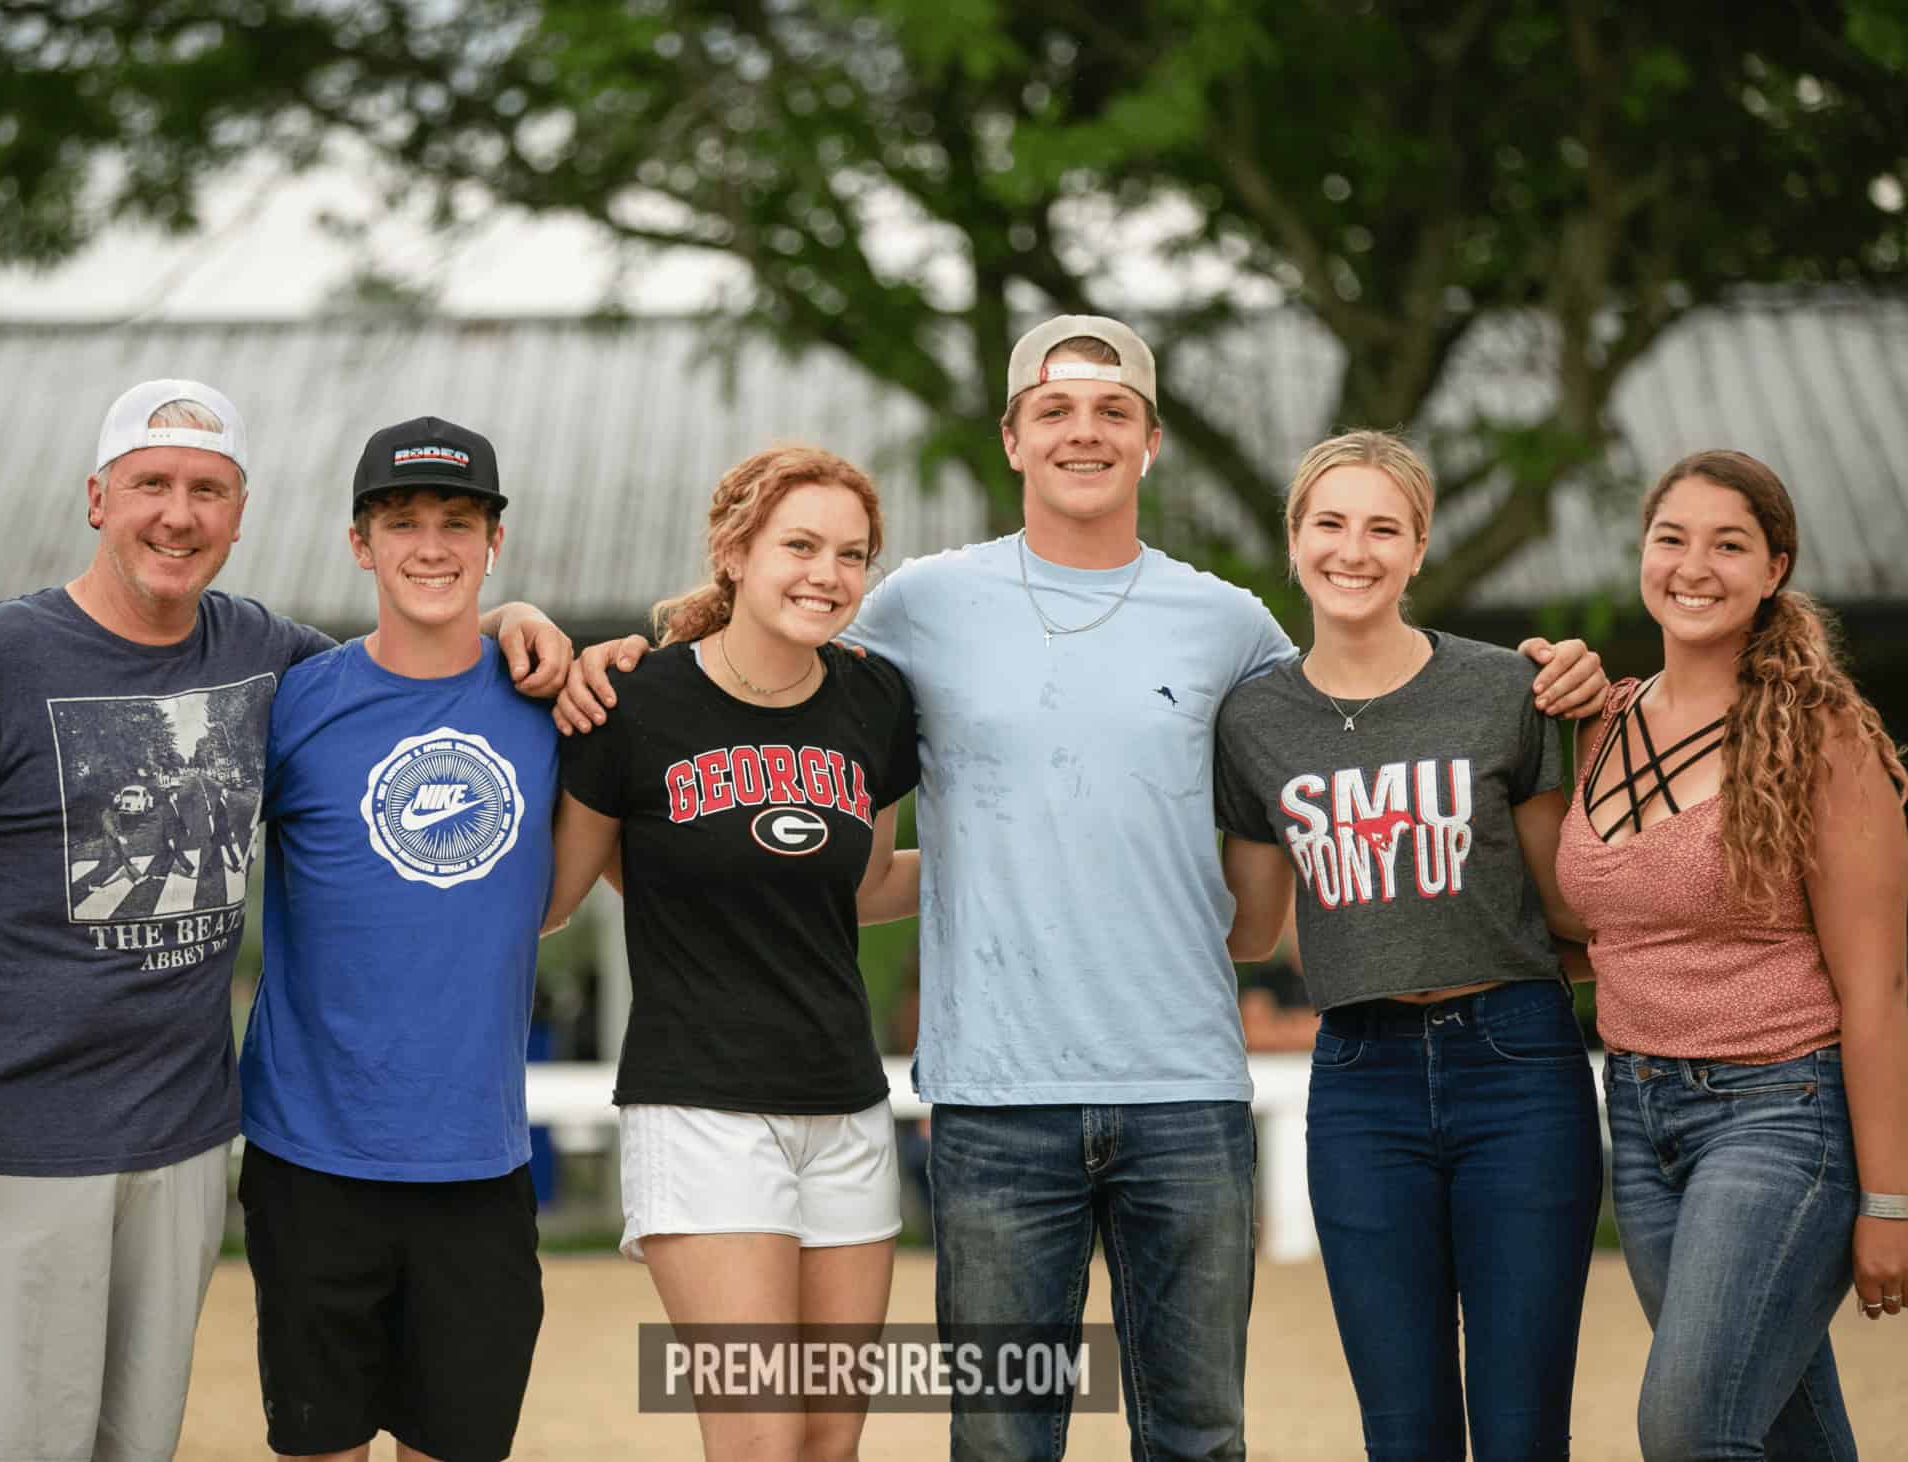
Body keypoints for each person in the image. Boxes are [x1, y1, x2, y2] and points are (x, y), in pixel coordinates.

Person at [555, 318, 1606, 1459]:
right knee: (1000, 1439)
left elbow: (1360, 706)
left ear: (1151, 442)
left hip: (1185, 1094)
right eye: (1053, 410)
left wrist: (1541, 680)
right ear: (1012, 438)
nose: (1083, 432)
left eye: (1113, 411)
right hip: (993, 1101)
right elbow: (771, 652)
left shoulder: (1231, 627)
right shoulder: (913, 605)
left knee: (1198, 1438)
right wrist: (627, 662)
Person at [0, 380, 570, 1462]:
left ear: (241, 516)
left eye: (207, 490)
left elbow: (412, 659)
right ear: (97, 498)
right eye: (151, 484)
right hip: (13, 1142)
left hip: (183, 1144)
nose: (178, 515)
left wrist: (515, 622)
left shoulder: (264, 657)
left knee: (134, 1442)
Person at [1212, 429, 1604, 1460]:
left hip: (1517, 1068)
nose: (1354, 550)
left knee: (1521, 1432)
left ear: (1419, 548)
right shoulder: (1251, 720)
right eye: (1330, 523)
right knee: (1403, 1433)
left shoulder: (1503, 689)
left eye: (1383, 528)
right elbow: (1247, 926)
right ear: (1294, 540)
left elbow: (1569, 905)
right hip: (1360, 1081)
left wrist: (1602, 720)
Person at [543, 445, 920, 1462]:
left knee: (829, 1445)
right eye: (799, 545)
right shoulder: (633, 701)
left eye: (851, 554)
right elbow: (553, 898)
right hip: (702, 1107)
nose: (826, 574)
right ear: (733, 551)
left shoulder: (875, 701)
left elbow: (863, 886)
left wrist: (1032, 862)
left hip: (845, 1106)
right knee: (758, 1439)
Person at [1555, 449, 1908, 1460]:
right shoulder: (1601, 723)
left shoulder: (1821, 735)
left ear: (1774, 568)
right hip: (1640, 1115)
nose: (1693, 566)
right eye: (1671, 538)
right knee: (1786, 1428)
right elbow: (1599, 929)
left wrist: (1889, 1200)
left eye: (1728, 544)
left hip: (1782, 1114)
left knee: (1688, 1428)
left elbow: (1877, 984)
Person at [238, 417, 557, 1462]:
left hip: (477, 1163)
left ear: (494, 544)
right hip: (311, 1159)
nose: (430, 546)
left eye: (457, 523)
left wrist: (532, 629)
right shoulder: (293, 704)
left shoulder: (553, 702)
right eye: (401, 522)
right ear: (359, 543)